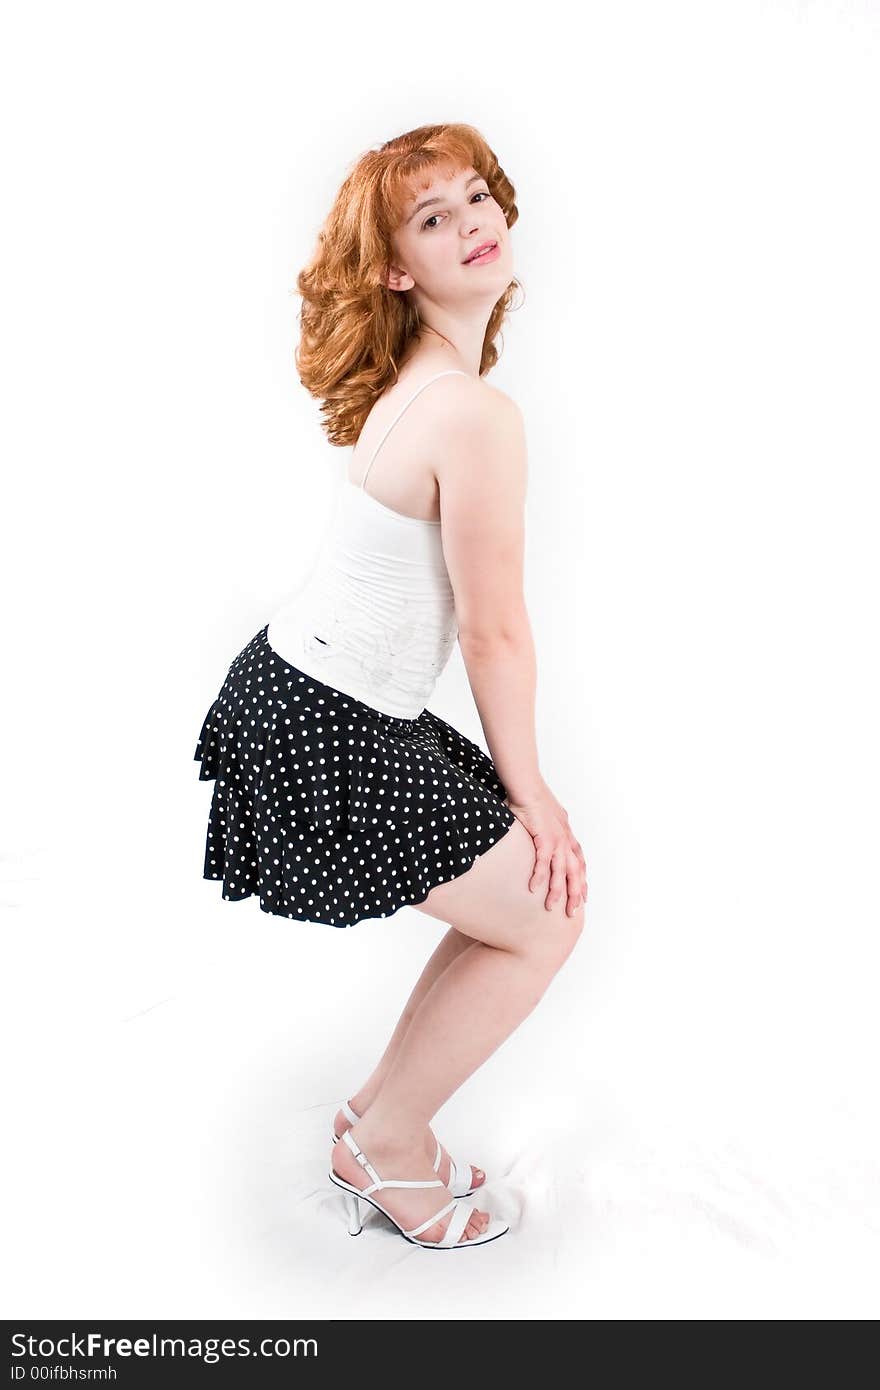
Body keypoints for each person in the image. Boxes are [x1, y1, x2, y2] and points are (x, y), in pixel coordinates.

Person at [194, 123, 588, 1250]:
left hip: (305, 695)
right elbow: (493, 630)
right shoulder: (470, 412)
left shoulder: (431, 384)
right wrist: (538, 796)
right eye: (434, 218)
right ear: (394, 267)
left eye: (476, 198)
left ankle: (377, 1122)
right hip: (324, 716)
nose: (473, 223)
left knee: (517, 911)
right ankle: (391, 1143)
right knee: (544, 915)